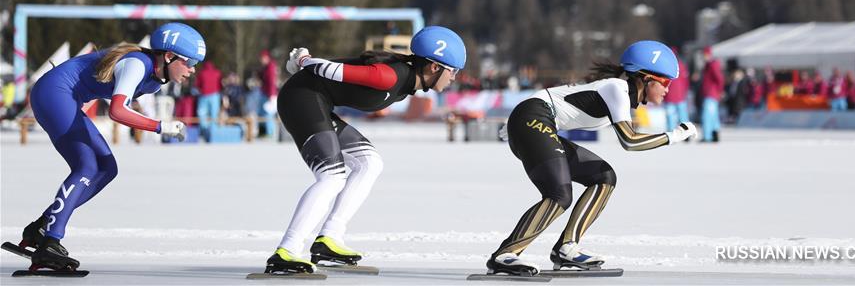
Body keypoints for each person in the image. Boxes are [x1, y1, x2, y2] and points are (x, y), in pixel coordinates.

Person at [264, 26, 466, 275]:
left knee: (370, 162)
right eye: (452, 71)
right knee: (332, 176)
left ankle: (329, 239)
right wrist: (304, 59)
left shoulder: (406, 82)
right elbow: (329, 68)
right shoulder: (390, 76)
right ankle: (287, 251)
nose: (454, 78)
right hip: (300, 98)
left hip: (318, 102)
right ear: (434, 67)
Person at [484, 40, 697, 277]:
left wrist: (519, 122)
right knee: (559, 195)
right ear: (644, 78)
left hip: (534, 120)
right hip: (532, 118)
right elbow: (630, 141)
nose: (668, 89)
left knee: (604, 176)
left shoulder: (621, 93)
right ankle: (506, 253)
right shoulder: (617, 89)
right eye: (665, 82)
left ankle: (567, 248)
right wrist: (674, 136)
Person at [17, 23, 204, 271]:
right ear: (169, 56)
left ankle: (42, 226)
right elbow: (117, 111)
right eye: (190, 62)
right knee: (86, 166)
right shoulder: (138, 64)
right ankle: (50, 240)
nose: (192, 70)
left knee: (106, 167)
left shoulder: (156, 81)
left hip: (67, 97)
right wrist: (160, 126)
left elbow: (122, 103)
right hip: (53, 93)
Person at [700, 47, 724, 142]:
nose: (703, 57)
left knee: (707, 115)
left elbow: (719, 79)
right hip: (710, 93)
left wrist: (719, 90)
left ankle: (707, 136)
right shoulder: (708, 65)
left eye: (705, 55)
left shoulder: (712, 65)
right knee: (713, 116)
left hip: (711, 94)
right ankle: (715, 134)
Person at [195, 60, 223, 139]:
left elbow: (197, 85)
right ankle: (214, 133)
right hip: (215, 95)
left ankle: (204, 131)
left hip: (204, 95)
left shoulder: (201, 73)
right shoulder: (217, 72)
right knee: (214, 114)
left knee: (202, 114)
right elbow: (220, 84)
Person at [257, 50, 279, 138]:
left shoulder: (270, 67)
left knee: (267, 113)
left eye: (262, 58)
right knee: (261, 113)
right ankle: (262, 132)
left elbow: (271, 82)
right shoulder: (265, 67)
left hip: (269, 94)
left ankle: (269, 132)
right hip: (264, 93)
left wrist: (271, 94)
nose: (261, 60)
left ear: (267, 58)